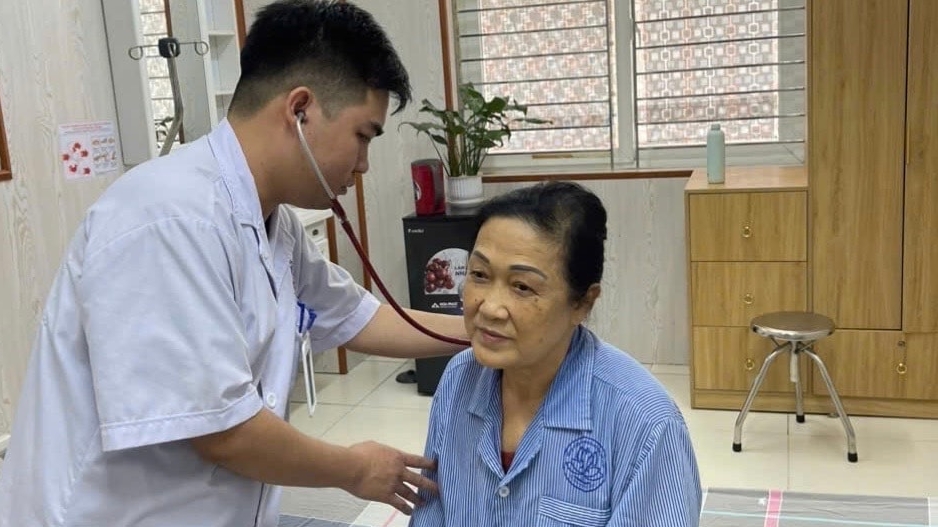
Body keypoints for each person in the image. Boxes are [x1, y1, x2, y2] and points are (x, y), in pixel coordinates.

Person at [0, 1, 466, 526]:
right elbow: (223, 432)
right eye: (363, 136)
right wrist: (356, 470)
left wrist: (484, 331)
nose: (363, 165)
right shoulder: (169, 218)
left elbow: (357, 317)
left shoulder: (272, 222)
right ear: (300, 110)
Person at [409, 181, 702, 527]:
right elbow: (432, 514)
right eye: (479, 275)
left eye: (522, 286)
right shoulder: (459, 379)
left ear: (583, 303)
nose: (489, 307)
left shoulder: (645, 422)